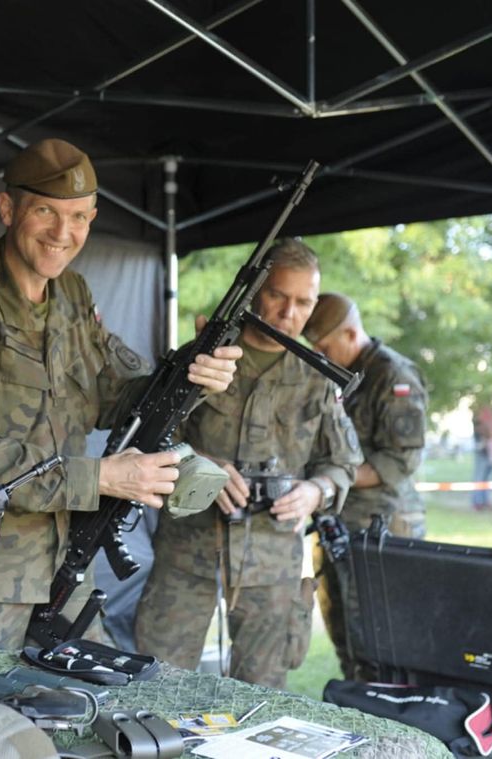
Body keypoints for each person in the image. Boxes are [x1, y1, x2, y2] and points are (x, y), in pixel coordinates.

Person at [0, 138, 241, 665]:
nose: (64, 234)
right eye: (46, 212)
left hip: (66, 568)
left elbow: (117, 398)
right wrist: (101, 478)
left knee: (86, 725)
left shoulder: (74, 295)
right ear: (7, 208)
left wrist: (192, 377)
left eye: (81, 217)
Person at [134, 238, 361, 688]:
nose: (289, 313)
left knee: (262, 691)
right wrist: (199, 465)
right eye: (278, 295)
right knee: (156, 681)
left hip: (271, 562)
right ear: (257, 290)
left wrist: (315, 491)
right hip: (189, 553)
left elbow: (343, 463)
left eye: (304, 302)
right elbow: (147, 438)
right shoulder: (204, 358)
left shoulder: (316, 376)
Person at [301, 292, 429, 679]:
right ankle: (358, 705)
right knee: (345, 634)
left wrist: (332, 477)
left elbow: (399, 461)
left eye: (324, 347)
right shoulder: (339, 374)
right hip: (337, 523)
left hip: (382, 525)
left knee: (385, 639)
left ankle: (391, 716)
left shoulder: (394, 377)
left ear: (351, 333)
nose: (319, 355)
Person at [471, 400, 492, 511]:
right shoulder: (478, 422)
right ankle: (477, 501)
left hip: (488, 452)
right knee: (479, 477)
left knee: (486, 478)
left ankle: (484, 500)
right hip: (481, 452)